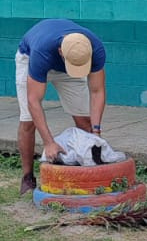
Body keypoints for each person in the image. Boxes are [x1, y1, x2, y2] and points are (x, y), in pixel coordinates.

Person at [15, 19, 106, 194]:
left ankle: (89, 175)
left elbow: (97, 91)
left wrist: (96, 132)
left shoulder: (94, 48)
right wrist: (49, 143)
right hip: (30, 58)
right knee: (28, 121)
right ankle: (27, 178)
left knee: (85, 122)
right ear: (60, 52)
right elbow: (34, 101)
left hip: (71, 61)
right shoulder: (42, 53)